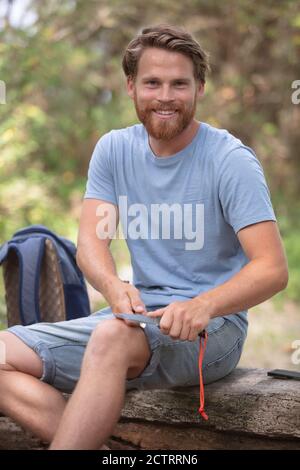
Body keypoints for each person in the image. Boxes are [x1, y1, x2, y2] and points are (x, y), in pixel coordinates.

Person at [0, 24, 288, 450]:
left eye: (179, 84)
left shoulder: (230, 160)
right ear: (131, 87)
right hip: (134, 319)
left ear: (200, 88)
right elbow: (92, 244)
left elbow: (273, 269)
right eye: (153, 83)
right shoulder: (114, 150)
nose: (165, 96)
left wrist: (202, 304)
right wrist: (114, 286)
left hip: (214, 327)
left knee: (110, 338)